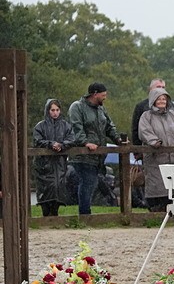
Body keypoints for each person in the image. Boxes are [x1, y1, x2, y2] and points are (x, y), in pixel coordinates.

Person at [67, 82, 124, 215]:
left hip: (98, 155)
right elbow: (76, 127)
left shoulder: (101, 109)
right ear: (95, 94)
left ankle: (85, 213)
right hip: (82, 155)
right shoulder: (77, 107)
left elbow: (109, 126)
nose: (105, 98)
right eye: (103, 95)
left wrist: (118, 140)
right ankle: (85, 214)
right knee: (87, 182)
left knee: (92, 183)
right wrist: (85, 142)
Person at [138, 86, 174, 212]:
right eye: (159, 99)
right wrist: (154, 142)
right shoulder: (146, 116)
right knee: (157, 186)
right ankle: (156, 212)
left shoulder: (173, 115)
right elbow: (144, 131)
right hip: (156, 159)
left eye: (164, 99)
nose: (162, 101)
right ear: (153, 100)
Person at [32, 98, 75, 216]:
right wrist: (50, 144)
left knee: (58, 189)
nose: (55, 112)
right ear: (48, 111)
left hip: (59, 164)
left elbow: (72, 139)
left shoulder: (66, 126)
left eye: (57, 110)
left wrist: (62, 145)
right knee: (45, 190)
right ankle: (46, 215)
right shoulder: (40, 126)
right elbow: (37, 140)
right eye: (52, 110)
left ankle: (54, 216)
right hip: (44, 165)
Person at [130, 78, 166, 146]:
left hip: (171, 148)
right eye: (158, 87)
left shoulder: (171, 107)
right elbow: (135, 130)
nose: (161, 89)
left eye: (163, 87)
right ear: (150, 89)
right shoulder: (141, 107)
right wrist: (138, 150)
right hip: (149, 148)